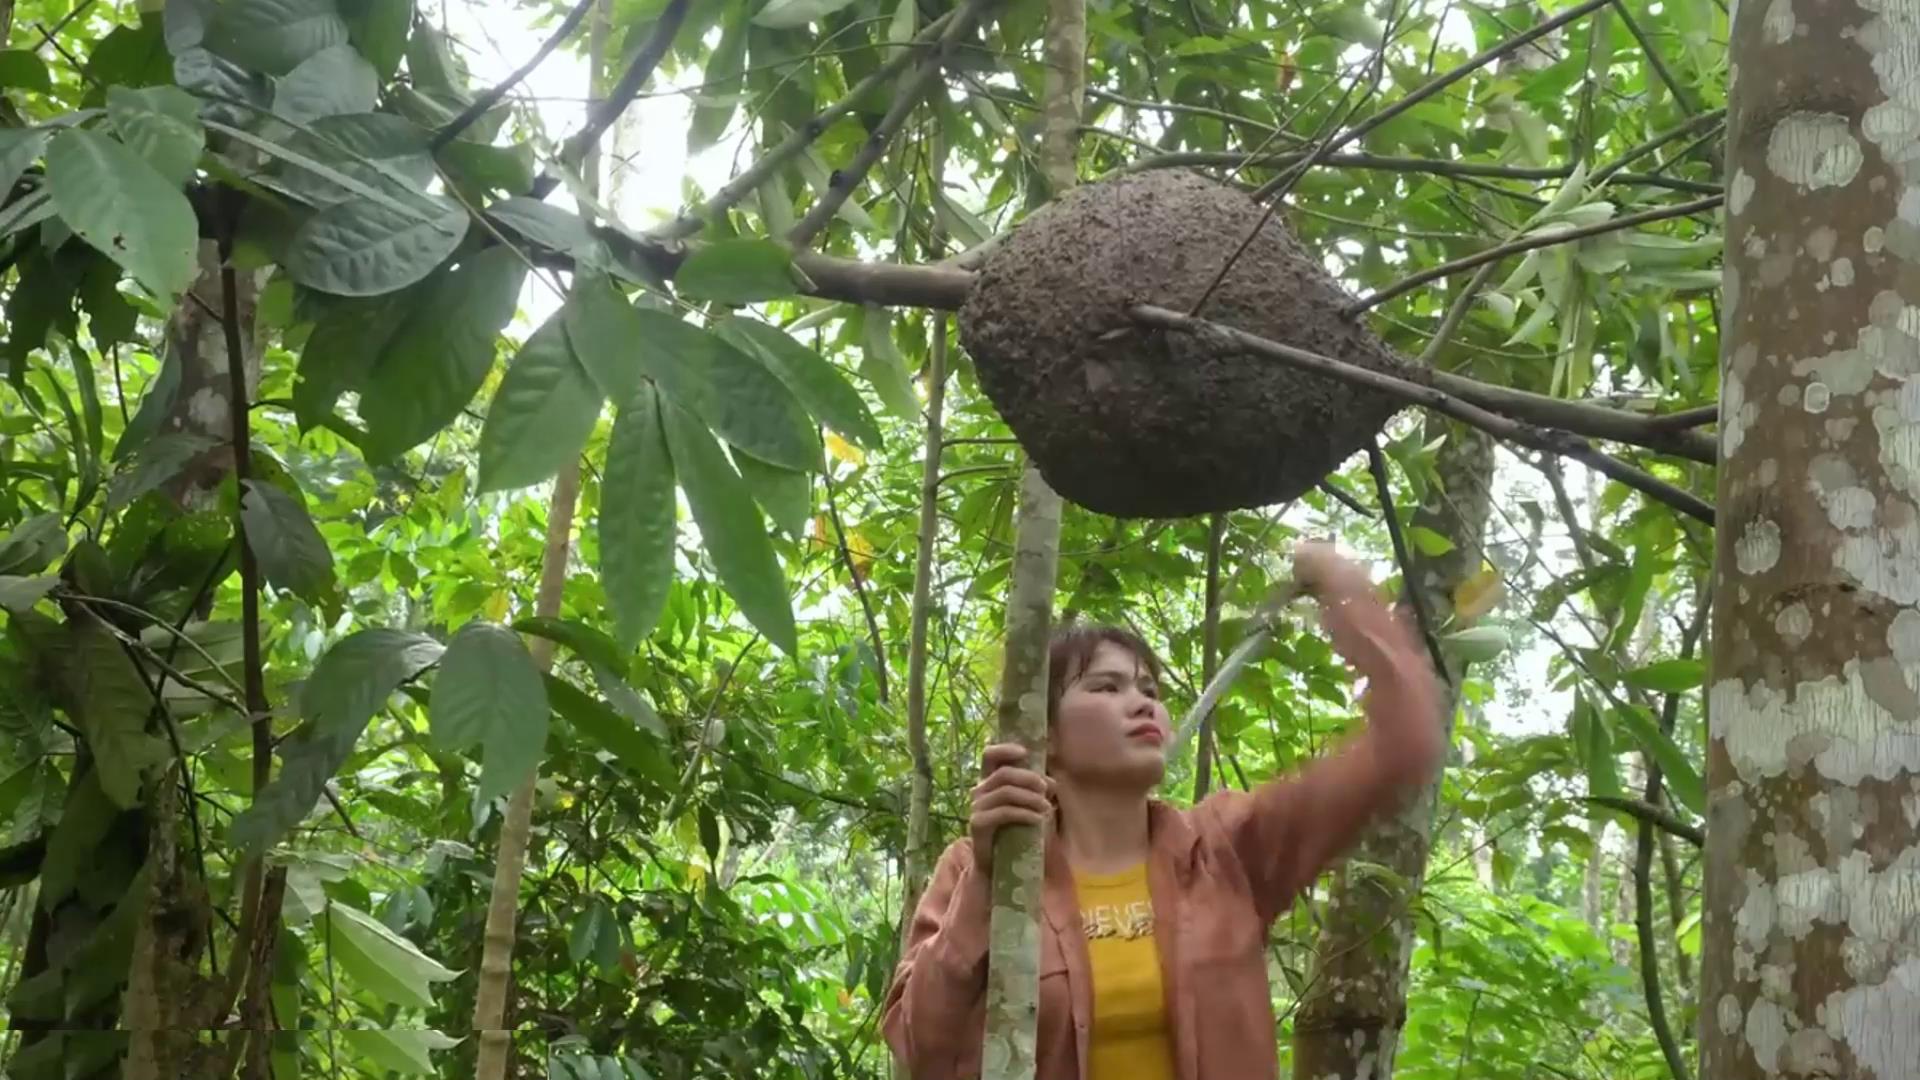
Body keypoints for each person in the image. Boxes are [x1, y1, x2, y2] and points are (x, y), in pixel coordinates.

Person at [881, 540, 1446, 1080]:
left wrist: (1341, 587)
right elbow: (918, 1047)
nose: (1142, 701)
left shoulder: (1225, 849)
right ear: (1043, 734)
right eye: (1106, 687)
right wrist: (985, 880)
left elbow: (1406, 742)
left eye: (1148, 688)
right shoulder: (977, 868)